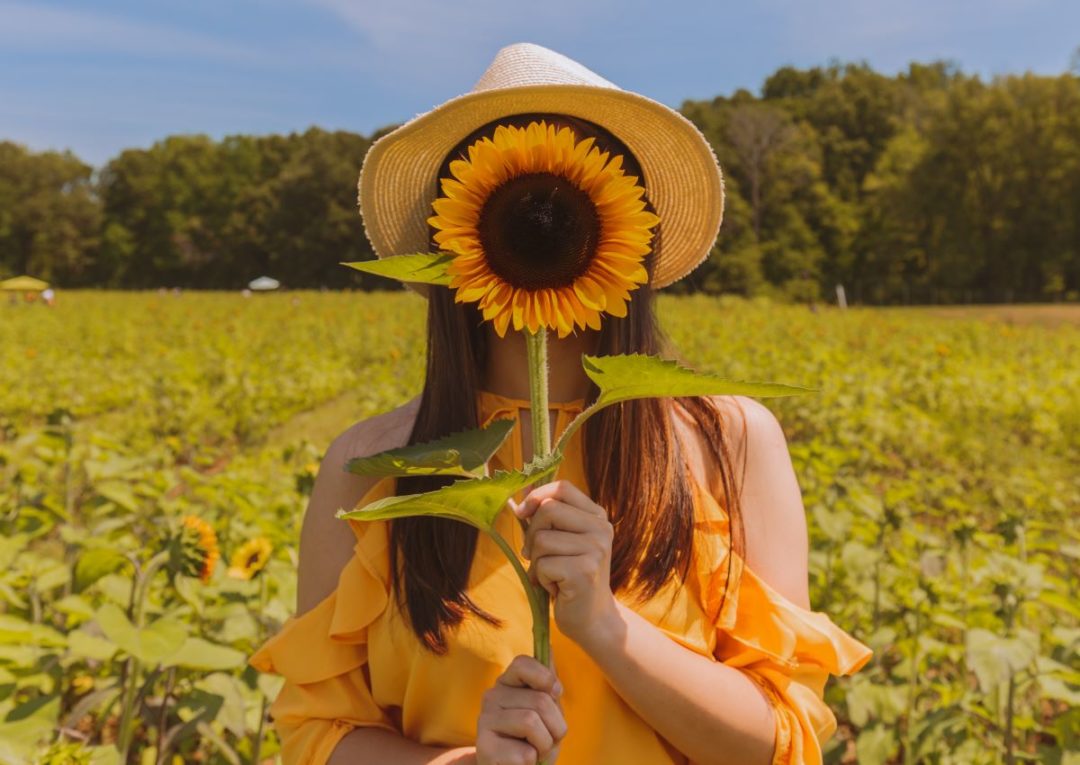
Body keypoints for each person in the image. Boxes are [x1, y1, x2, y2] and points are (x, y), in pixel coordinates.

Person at [250, 43, 873, 765]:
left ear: (625, 230)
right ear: (457, 238)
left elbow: (781, 740)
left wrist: (607, 629)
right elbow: (315, 734)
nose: (541, 218)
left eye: (565, 198)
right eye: (519, 200)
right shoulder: (372, 470)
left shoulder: (726, 441)